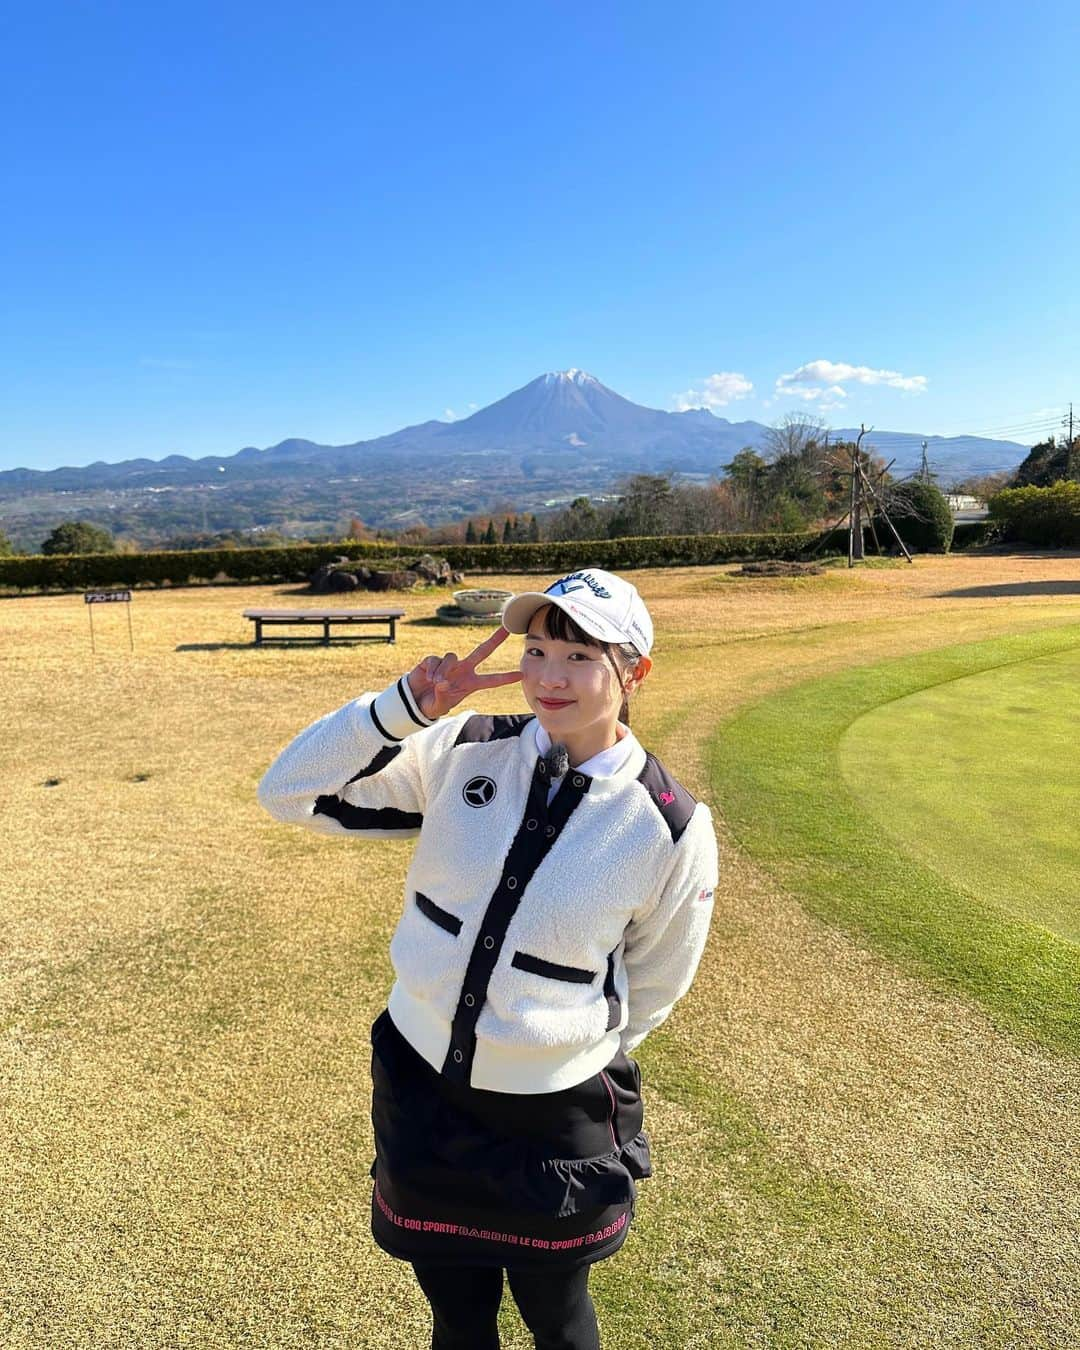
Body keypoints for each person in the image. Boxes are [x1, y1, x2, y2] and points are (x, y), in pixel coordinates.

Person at [257, 568, 718, 1350]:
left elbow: (657, 981)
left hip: (550, 1115)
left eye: (579, 657)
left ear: (634, 671)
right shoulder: (464, 748)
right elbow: (290, 793)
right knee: (457, 1316)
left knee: (559, 1319)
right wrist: (404, 709)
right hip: (422, 1092)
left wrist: (544, 1052)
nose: (548, 676)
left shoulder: (668, 825)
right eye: (537, 649)